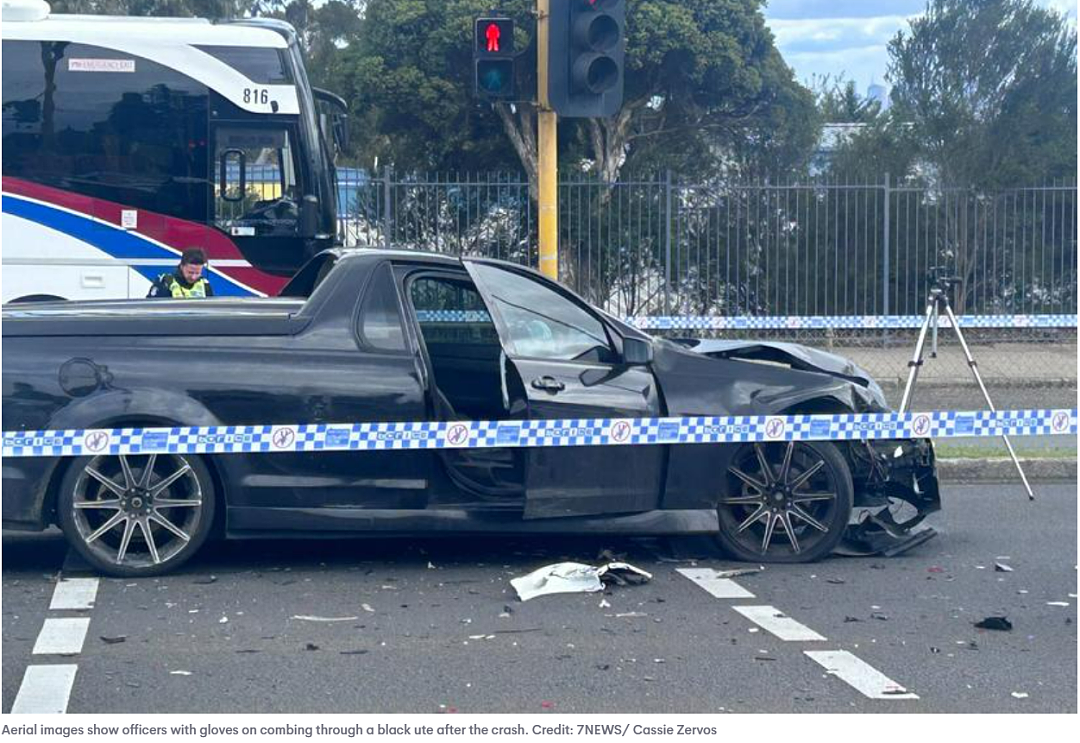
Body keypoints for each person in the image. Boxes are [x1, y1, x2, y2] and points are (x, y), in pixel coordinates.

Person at [147, 248, 214, 298]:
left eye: (197, 273)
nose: (193, 277)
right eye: (190, 272)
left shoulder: (205, 285)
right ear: (182, 266)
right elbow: (151, 309)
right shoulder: (165, 282)